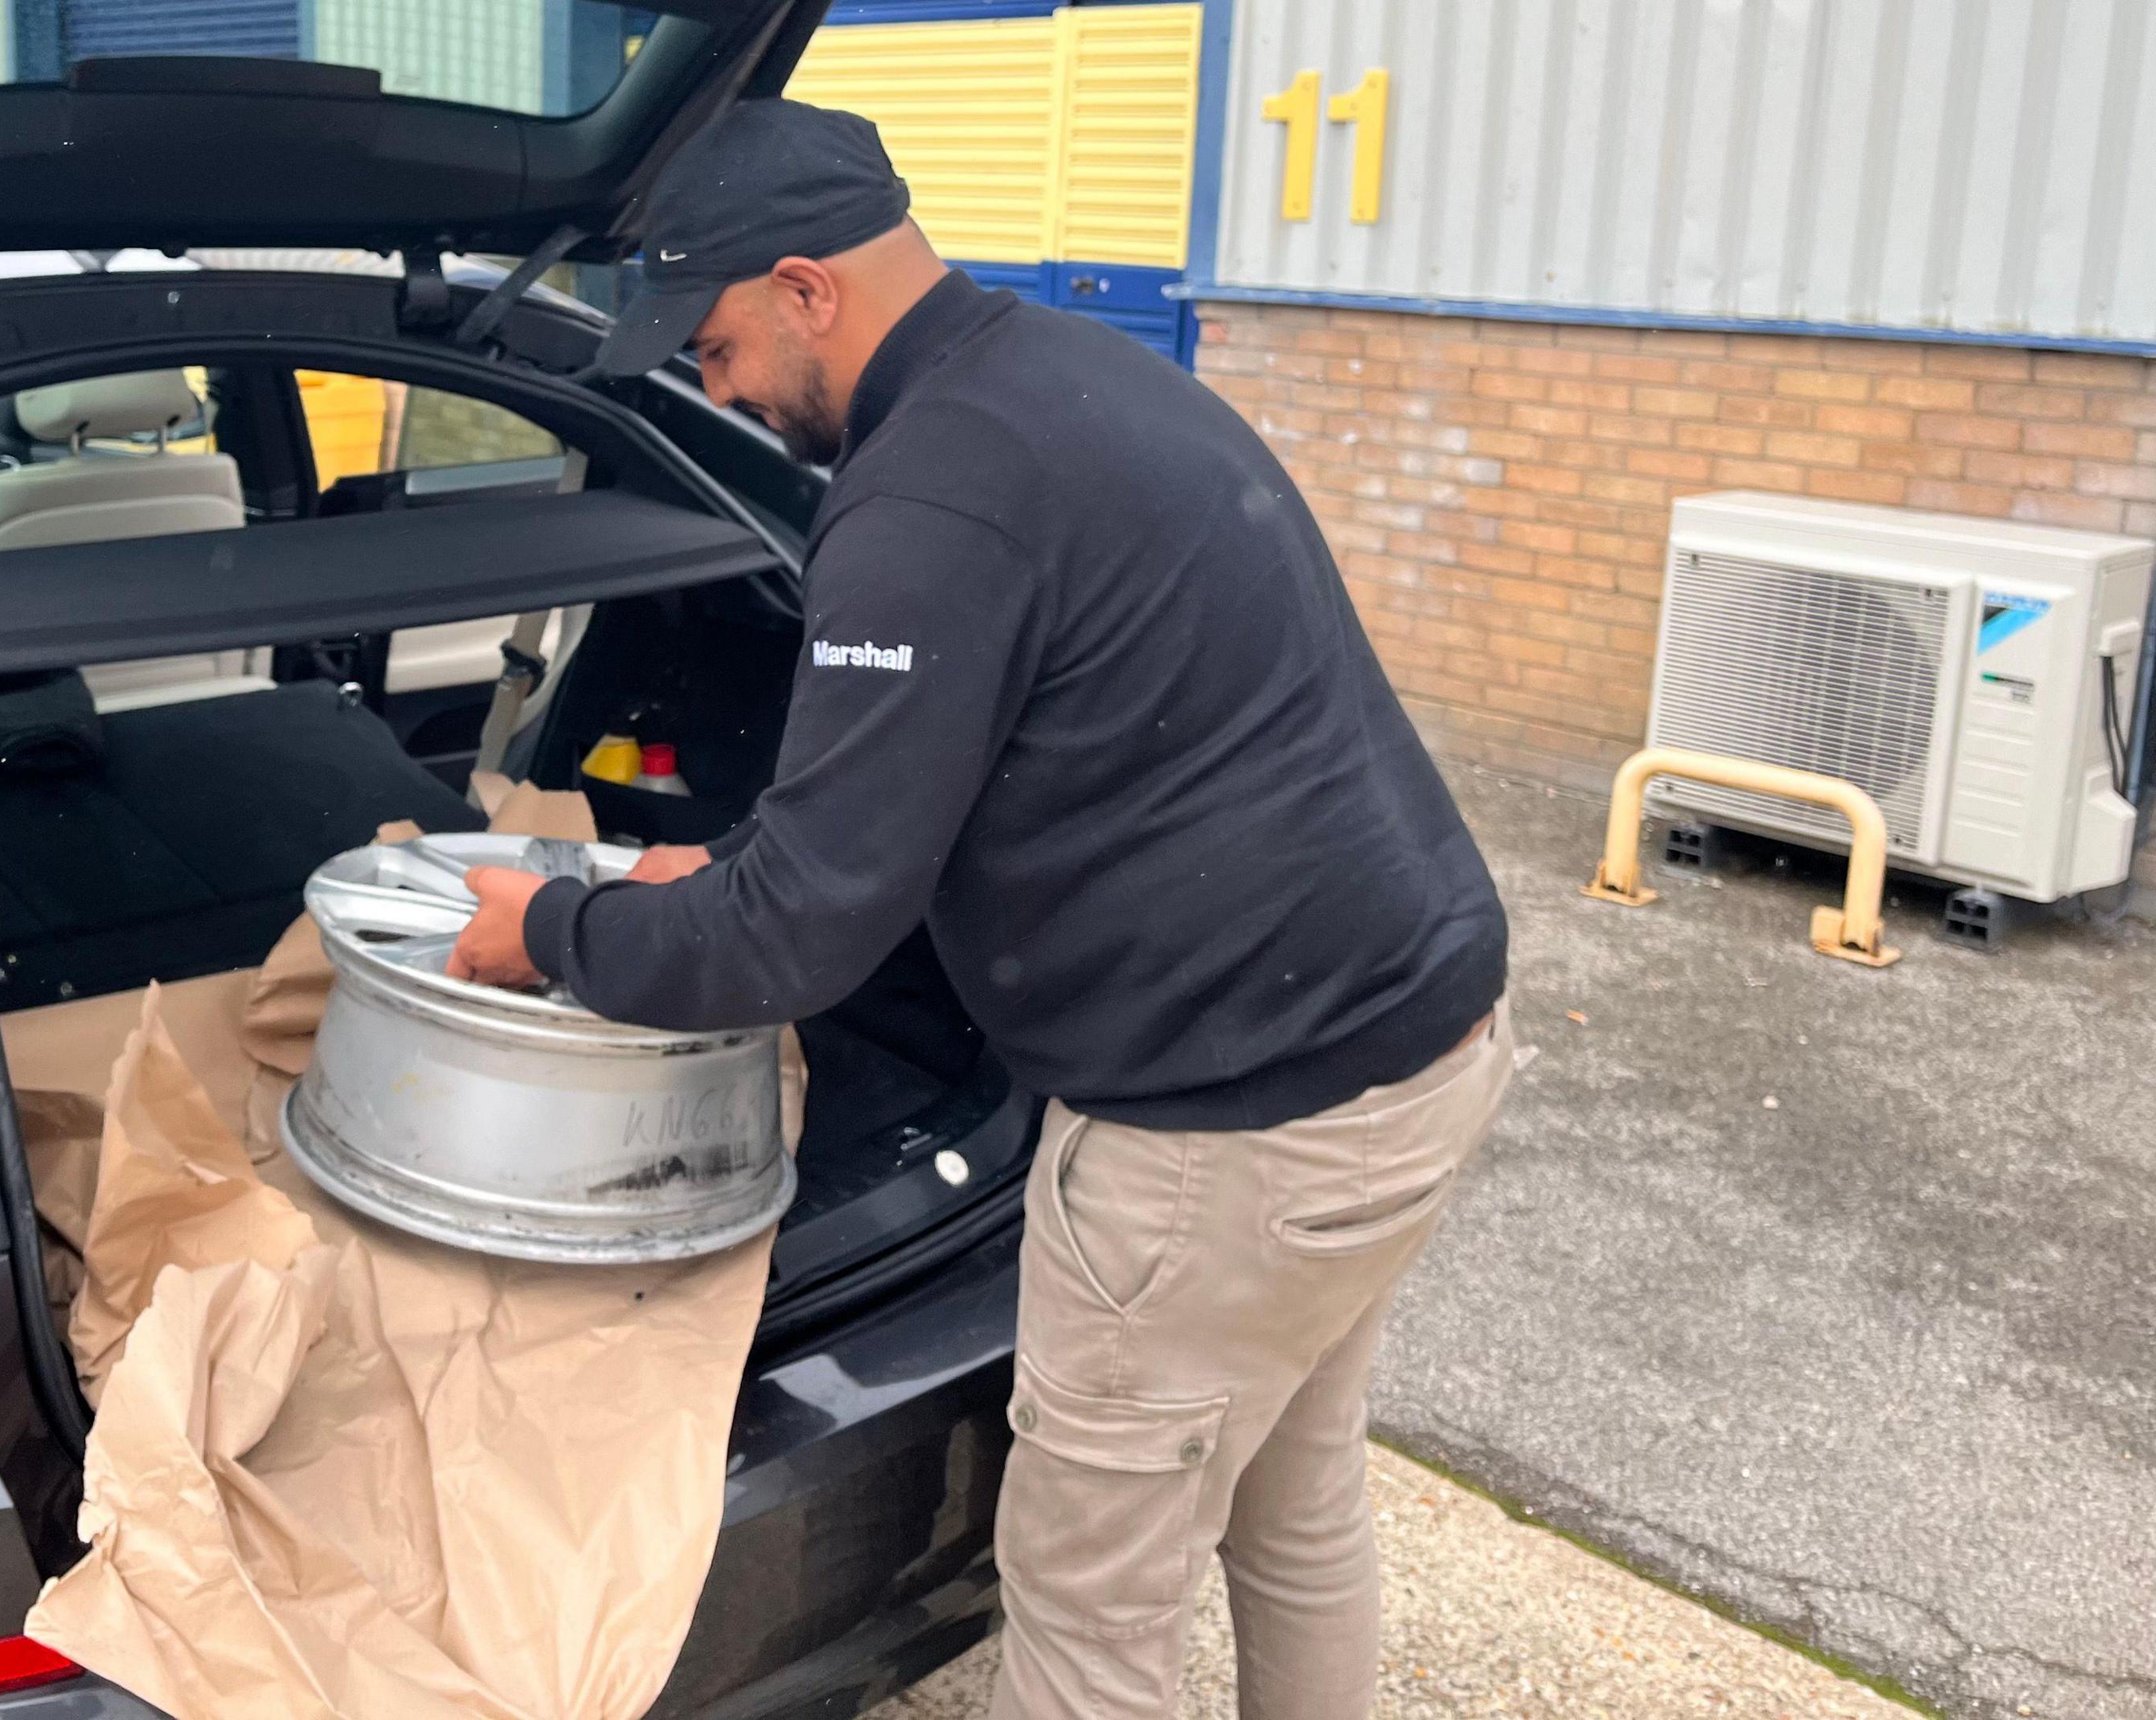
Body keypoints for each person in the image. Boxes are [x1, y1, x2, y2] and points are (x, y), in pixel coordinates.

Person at [449, 99, 1512, 1719]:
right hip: (1411, 1054)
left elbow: (795, 943)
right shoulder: (1072, 379)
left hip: (1229, 1141)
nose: (711, 386)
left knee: (1089, 1611)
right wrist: (724, 866)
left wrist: (553, 932)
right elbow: (911, 781)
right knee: (1295, 1512)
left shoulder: (926, 499)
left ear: (809, 288)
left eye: (717, 342)